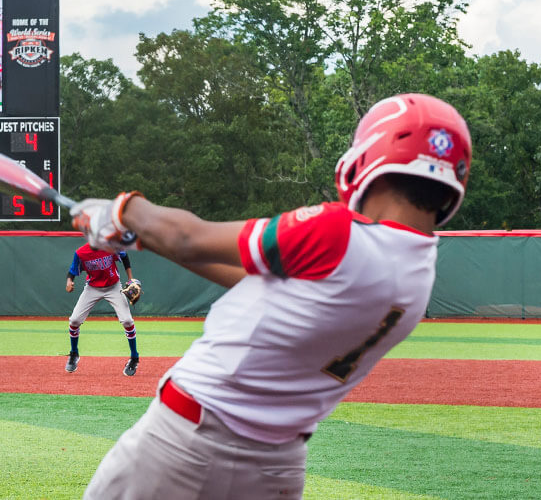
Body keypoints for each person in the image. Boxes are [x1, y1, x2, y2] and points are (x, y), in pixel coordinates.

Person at [70, 93, 471, 499]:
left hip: (183, 443)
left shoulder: (338, 232)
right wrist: (146, 240)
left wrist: (122, 211)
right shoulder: (419, 273)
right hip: (275, 468)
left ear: (374, 151)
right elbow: (258, 283)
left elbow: (189, 238)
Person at [64, 242, 140, 376]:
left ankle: (134, 358)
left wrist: (130, 279)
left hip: (114, 287)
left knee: (128, 321)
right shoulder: (81, 253)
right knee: (74, 320)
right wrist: (69, 281)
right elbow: (72, 271)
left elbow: (124, 256)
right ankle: (74, 353)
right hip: (92, 288)